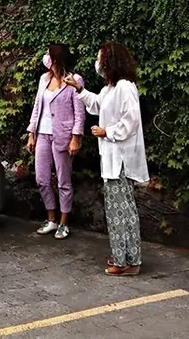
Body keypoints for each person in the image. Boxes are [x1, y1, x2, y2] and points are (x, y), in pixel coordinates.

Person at [64, 41, 148, 276]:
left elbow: (131, 120)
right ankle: (125, 258)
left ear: (110, 61)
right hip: (111, 160)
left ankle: (127, 262)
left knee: (122, 211)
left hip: (120, 160)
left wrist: (107, 132)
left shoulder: (125, 87)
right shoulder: (110, 88)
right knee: (117, 211)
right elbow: (97, 105)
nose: (97, 63)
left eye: (100, 58)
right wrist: (79, 90)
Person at [26, 43, 85, 240]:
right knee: (41, 179)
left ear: (56, 59)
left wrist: (75, 138)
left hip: (63, 136)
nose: (46, 58)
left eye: (48, 55)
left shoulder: (74, 80)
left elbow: (79, 113)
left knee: (63, 181)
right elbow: (37, 107)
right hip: (42, 134)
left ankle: (63, 222)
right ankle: (51, 218)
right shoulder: (44, 79)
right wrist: (31, 133)